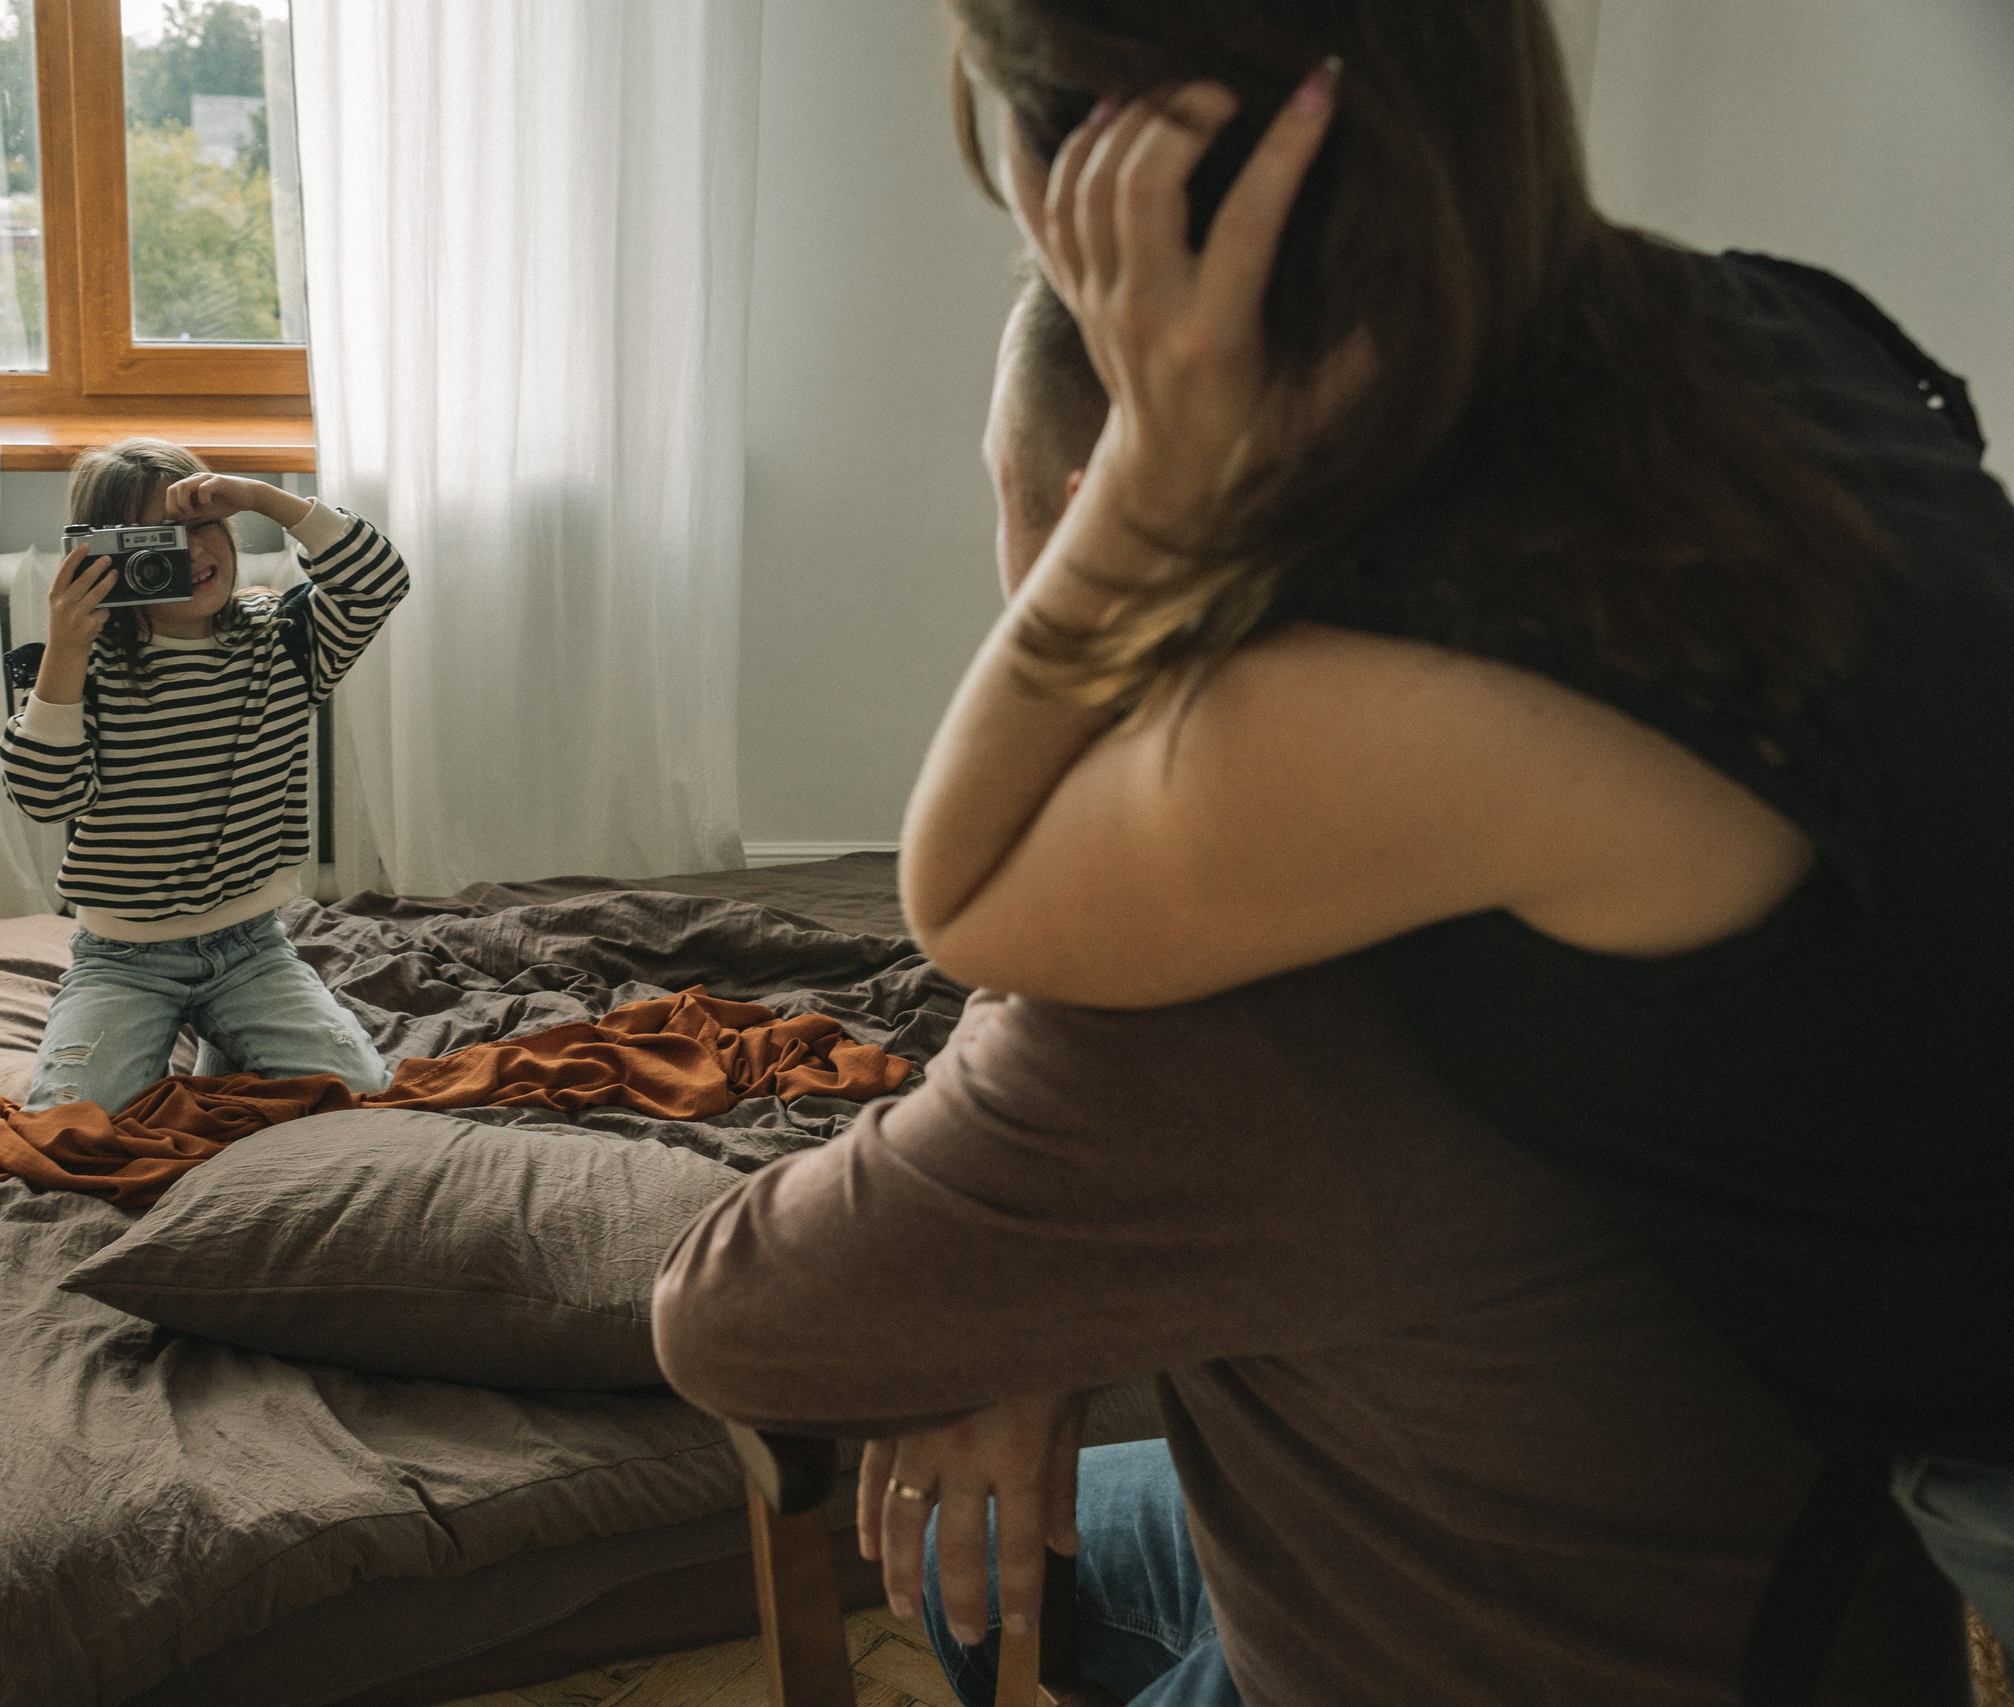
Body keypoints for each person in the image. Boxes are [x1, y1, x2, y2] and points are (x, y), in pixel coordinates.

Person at [653, 276, 1970, 1707]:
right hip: (1789, 1616)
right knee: (1003, 1558)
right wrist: (1034, 1312)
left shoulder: (1213, 997)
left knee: (976, 1561)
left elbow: (730, 1319)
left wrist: (1003, 1306)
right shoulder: (1622, 721)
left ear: (1094, 525)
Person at [0, 438, 409, 1113]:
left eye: (202, 525)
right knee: (70, 1119)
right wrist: (66, 647)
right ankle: (223, 1049)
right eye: (155, 540)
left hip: (252, 947)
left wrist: (262, 498)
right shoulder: (83, 665)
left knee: (359, 1093)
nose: (189, 552)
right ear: (101, 556)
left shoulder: (283, 640)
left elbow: (380, 580)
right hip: (122, 958)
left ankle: (229, 1045)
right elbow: (44, 796)